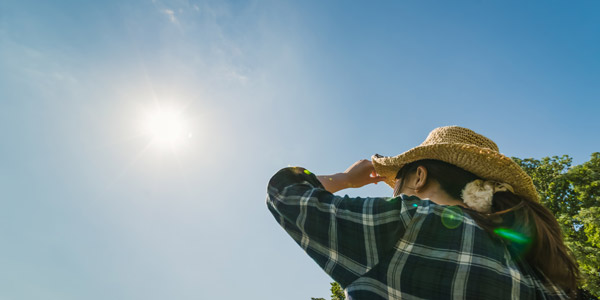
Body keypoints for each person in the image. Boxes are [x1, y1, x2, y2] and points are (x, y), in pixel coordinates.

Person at [266, 126, 580, 299]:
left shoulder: (413, 221)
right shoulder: (547, 276)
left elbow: (285, 192)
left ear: (419, 176)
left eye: (397, 183)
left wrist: (346, 179)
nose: (393, 194)